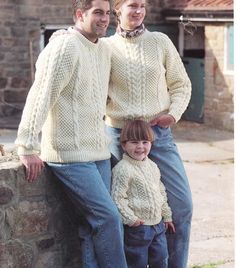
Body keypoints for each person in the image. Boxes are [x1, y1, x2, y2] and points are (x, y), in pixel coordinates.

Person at [15, 0, 127, 267]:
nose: (105, 18)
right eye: (97, 12)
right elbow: (40, 95)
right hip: (70, 155)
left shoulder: (103, 49)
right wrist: (27, 146)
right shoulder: (65, 46)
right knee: (109, 218)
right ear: (79, 14)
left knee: (92, 226)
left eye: (108, 13)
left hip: (98, 151)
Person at [104, 0, 193, 267]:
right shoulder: (105, 48)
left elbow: (181, 84)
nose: (139, 11)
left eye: (142, 5)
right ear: (118, 9)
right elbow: (93, 89)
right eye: (132, 5)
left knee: (182, 206)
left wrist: (173, 114)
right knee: (118, 208)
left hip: (157, 133)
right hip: (118, 135)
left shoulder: (160, 41)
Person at [111, 119, 176, 268]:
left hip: (158, 226)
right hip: (138, 229)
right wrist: (131, 219)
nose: (140, 147)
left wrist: (166, 215)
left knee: (160, 261)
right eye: (134, 142)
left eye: (145, 142)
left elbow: (160, 192)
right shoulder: (123, 169)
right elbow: (117, 197)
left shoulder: (152, 166)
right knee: (136, 263)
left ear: (151, 143)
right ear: (123, 145)